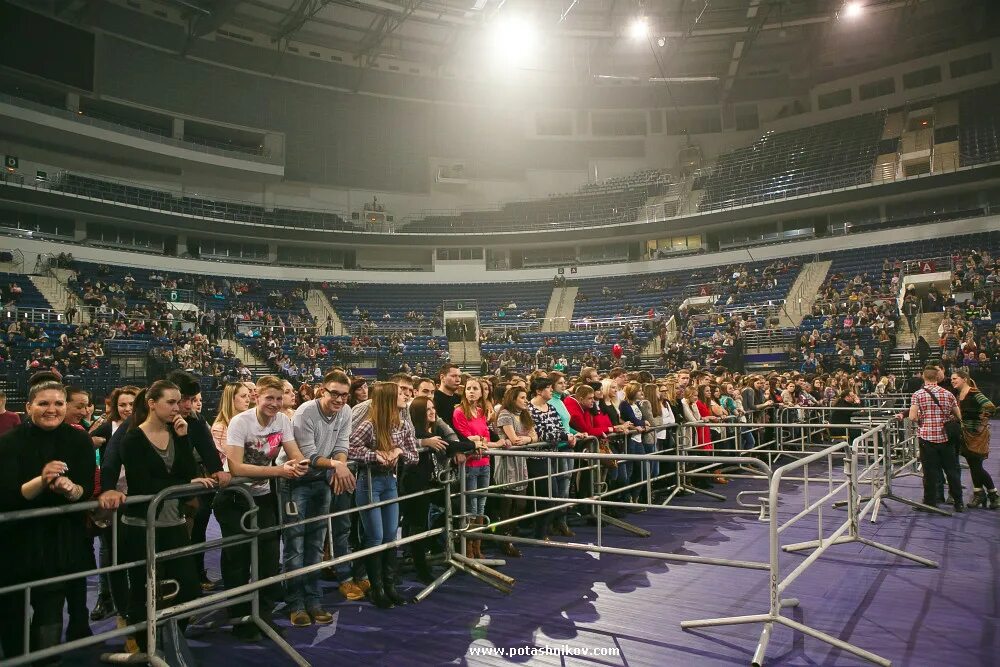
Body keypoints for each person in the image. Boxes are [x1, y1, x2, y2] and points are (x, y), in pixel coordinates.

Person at [0, 380, 95, 660]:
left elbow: (85, 490)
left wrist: (70, 489)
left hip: (60, 540)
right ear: (28, 407)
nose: (51, 409)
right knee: (12, 611)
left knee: (50, 608)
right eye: (43, 403)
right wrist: (42, 481)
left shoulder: (79, 439)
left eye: (58, 403)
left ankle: (48, 661)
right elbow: (6, 495)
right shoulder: (9, 442)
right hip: (15, 541)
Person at [118, 381, 215, 651]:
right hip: (141, 525)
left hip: (174, 521)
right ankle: (145, 647)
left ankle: (167, 639)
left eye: (178, 402)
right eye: (171, 403)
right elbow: (143, 483)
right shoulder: (133, 438)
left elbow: (185, 471)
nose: (177, 408)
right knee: (142, 590)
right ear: (152, 403)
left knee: (189, 588)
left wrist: (183, 439)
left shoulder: (177, 432)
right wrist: (181, 483)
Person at [222, 375, 309, 640]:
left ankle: (264, 616)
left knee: (269, 559)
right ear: (256, 397)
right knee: (238, 562)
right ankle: (240, 618)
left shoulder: (282, 420)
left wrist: (298, 464)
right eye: (269, 398)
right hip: (234, 499)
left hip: (263, 497)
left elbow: (294, 452)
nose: (274, 403)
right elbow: (235, 467)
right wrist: (278, 471)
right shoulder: (240, 422)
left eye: (279, 398)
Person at [280, 370, 356, 628]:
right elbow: (308, 455)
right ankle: (295, 603)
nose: (339, 399)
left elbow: (342, 445)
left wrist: (339, 465)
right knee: (295, 545)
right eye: (334, 393)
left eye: (344, 395)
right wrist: (336, 465)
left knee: (315, 543)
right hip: (295, 481)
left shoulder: (346, 411)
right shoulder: (305, 413)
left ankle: (313, 600)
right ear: (322, 390)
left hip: (321, 479)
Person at [348, 382, 419, 608]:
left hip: (390, 482)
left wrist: (398, 451)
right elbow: (349, 448)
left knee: (390, 535)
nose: (405, 395)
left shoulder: (403, 424)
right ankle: (376, 588)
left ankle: (389, 586)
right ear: (388, 398)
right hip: (369, 483)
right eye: (400, 393)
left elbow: (414, 456)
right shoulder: (370, 424)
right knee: (375, 536)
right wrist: (374, 455)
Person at [408, 396, 476, 576]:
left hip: (434, 483)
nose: (432, 412)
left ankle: (430, 546)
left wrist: (469, 445)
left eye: (433, 408)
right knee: (417, 527)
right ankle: (421, 568)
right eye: (427, 409)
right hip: (415, 485)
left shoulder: (434, 429)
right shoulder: (419, 433)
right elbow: (455, 444)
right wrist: (473, 444)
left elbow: (456, 442)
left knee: (453, 507)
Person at [909, 365, 964, 512]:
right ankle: (958, 502)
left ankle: (930, 502)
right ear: (936, 377)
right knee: (952, 472)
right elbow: (958, 416)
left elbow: (912, 416)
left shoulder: (918, 394)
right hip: (946, 438)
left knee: (929, 472)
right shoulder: (948, 394)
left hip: (927, 438)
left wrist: (923, 418)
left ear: (924, 377)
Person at [450, 377, 493, 557]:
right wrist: (477, 440)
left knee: (481, 507)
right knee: (471, 508)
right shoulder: (459, 412)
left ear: (482, 392)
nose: (471, 391)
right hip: (469, 464)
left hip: (485, 462)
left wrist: (478, 440)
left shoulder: (482, 412)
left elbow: (486, 438)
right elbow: (466, 439)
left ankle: (477, 546)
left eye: (475, 388)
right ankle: (467, 548)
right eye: (468, 388)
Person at [493, 387, 536, 557]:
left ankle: (508, 535)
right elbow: (514, 439)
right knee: (507, 504)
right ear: (513, 399)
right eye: (523, 398)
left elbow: (534, 436)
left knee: (520, 504)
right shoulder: (505, 414)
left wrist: (528, 439)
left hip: (520, 462)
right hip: (506, 463)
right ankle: (504, 539)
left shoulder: (524, 414)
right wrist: (527, 439)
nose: (526, 401)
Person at [950, 369, 997, 509]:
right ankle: (980, 493)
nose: (952, 381)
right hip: (966, 434)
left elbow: (990, 407)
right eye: (952, 379)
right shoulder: (959, 395)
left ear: (964, 379)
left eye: (955, 379)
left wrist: (983, 421)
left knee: (976, 466)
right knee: (974, 466)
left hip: (977, 435)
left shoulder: (974, 393)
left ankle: (993, 495)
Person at [434, 363, 463, 429]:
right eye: (453, 376)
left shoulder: (461, 399)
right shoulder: (433, 399)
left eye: (459, 376)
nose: (458, 380)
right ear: (442, 377)